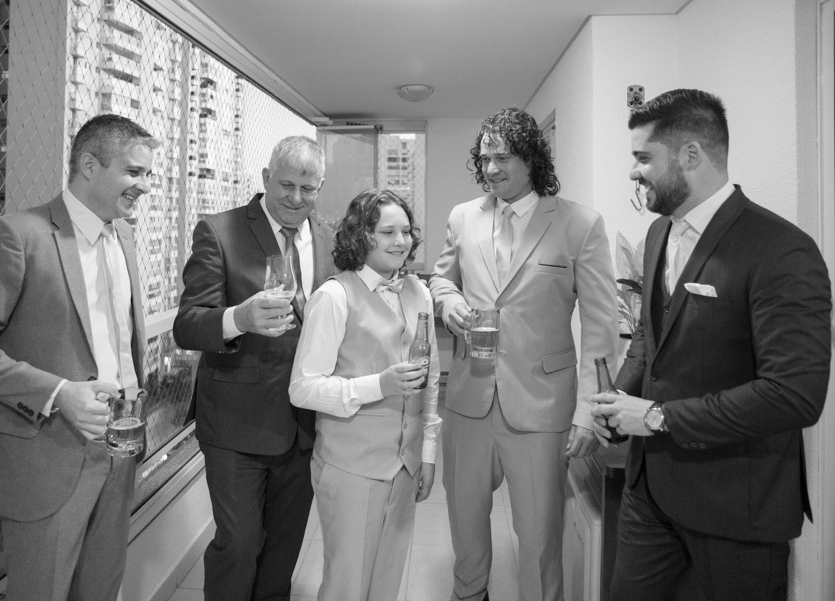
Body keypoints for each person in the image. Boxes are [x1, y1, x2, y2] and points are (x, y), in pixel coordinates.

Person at [591, 88, 831, 601]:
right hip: (649, 495)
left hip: (736, 510)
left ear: (691, 155)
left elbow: (794, 395)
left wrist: (657, 416)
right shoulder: (658, 234)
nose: (633, 172)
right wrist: (620, 397)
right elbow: (651, 337)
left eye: (643, 158)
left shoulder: (781, 249)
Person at [0, 114, 158, 600]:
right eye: (133, 172)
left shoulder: (124, 236)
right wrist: (57, 393)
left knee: (100, 589)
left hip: (120, 448)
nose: (145, 186)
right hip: (47, 457)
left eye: (148, 174)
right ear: (89, 165)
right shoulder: (15, 235)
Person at [428, 107, 618, 601]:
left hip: (542, 405)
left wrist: (588, 411)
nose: (490, 169)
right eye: (484, 158)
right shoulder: (463, 217)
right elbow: (441, 280)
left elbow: (600, 327)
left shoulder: (580, 224)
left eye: (503, 157)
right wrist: (448, 304)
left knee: (538, 542)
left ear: (532, 158)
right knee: (465, 528)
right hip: (468, 398)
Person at [173, 136, 338, 601]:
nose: (296, 198)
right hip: (235, 422)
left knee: (283, 549)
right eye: (286, 185)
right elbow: (187, 325)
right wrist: (238, 319)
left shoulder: (329, 238)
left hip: (305, 424)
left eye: (308, 189)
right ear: (266, 178)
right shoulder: (219, 231)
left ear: (320, 187)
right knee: (240, 545)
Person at [290, 189, 442, 601]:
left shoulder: (419, 292)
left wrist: (427, 454)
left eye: (406, 231)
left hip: (405, 466)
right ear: (362, 236)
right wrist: (378, 385)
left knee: (386, 584)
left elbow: (431, 381)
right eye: (388, 232)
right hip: (351, 467)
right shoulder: (333, 297)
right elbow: (302, 387)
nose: (401, 241)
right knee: (347, 586)